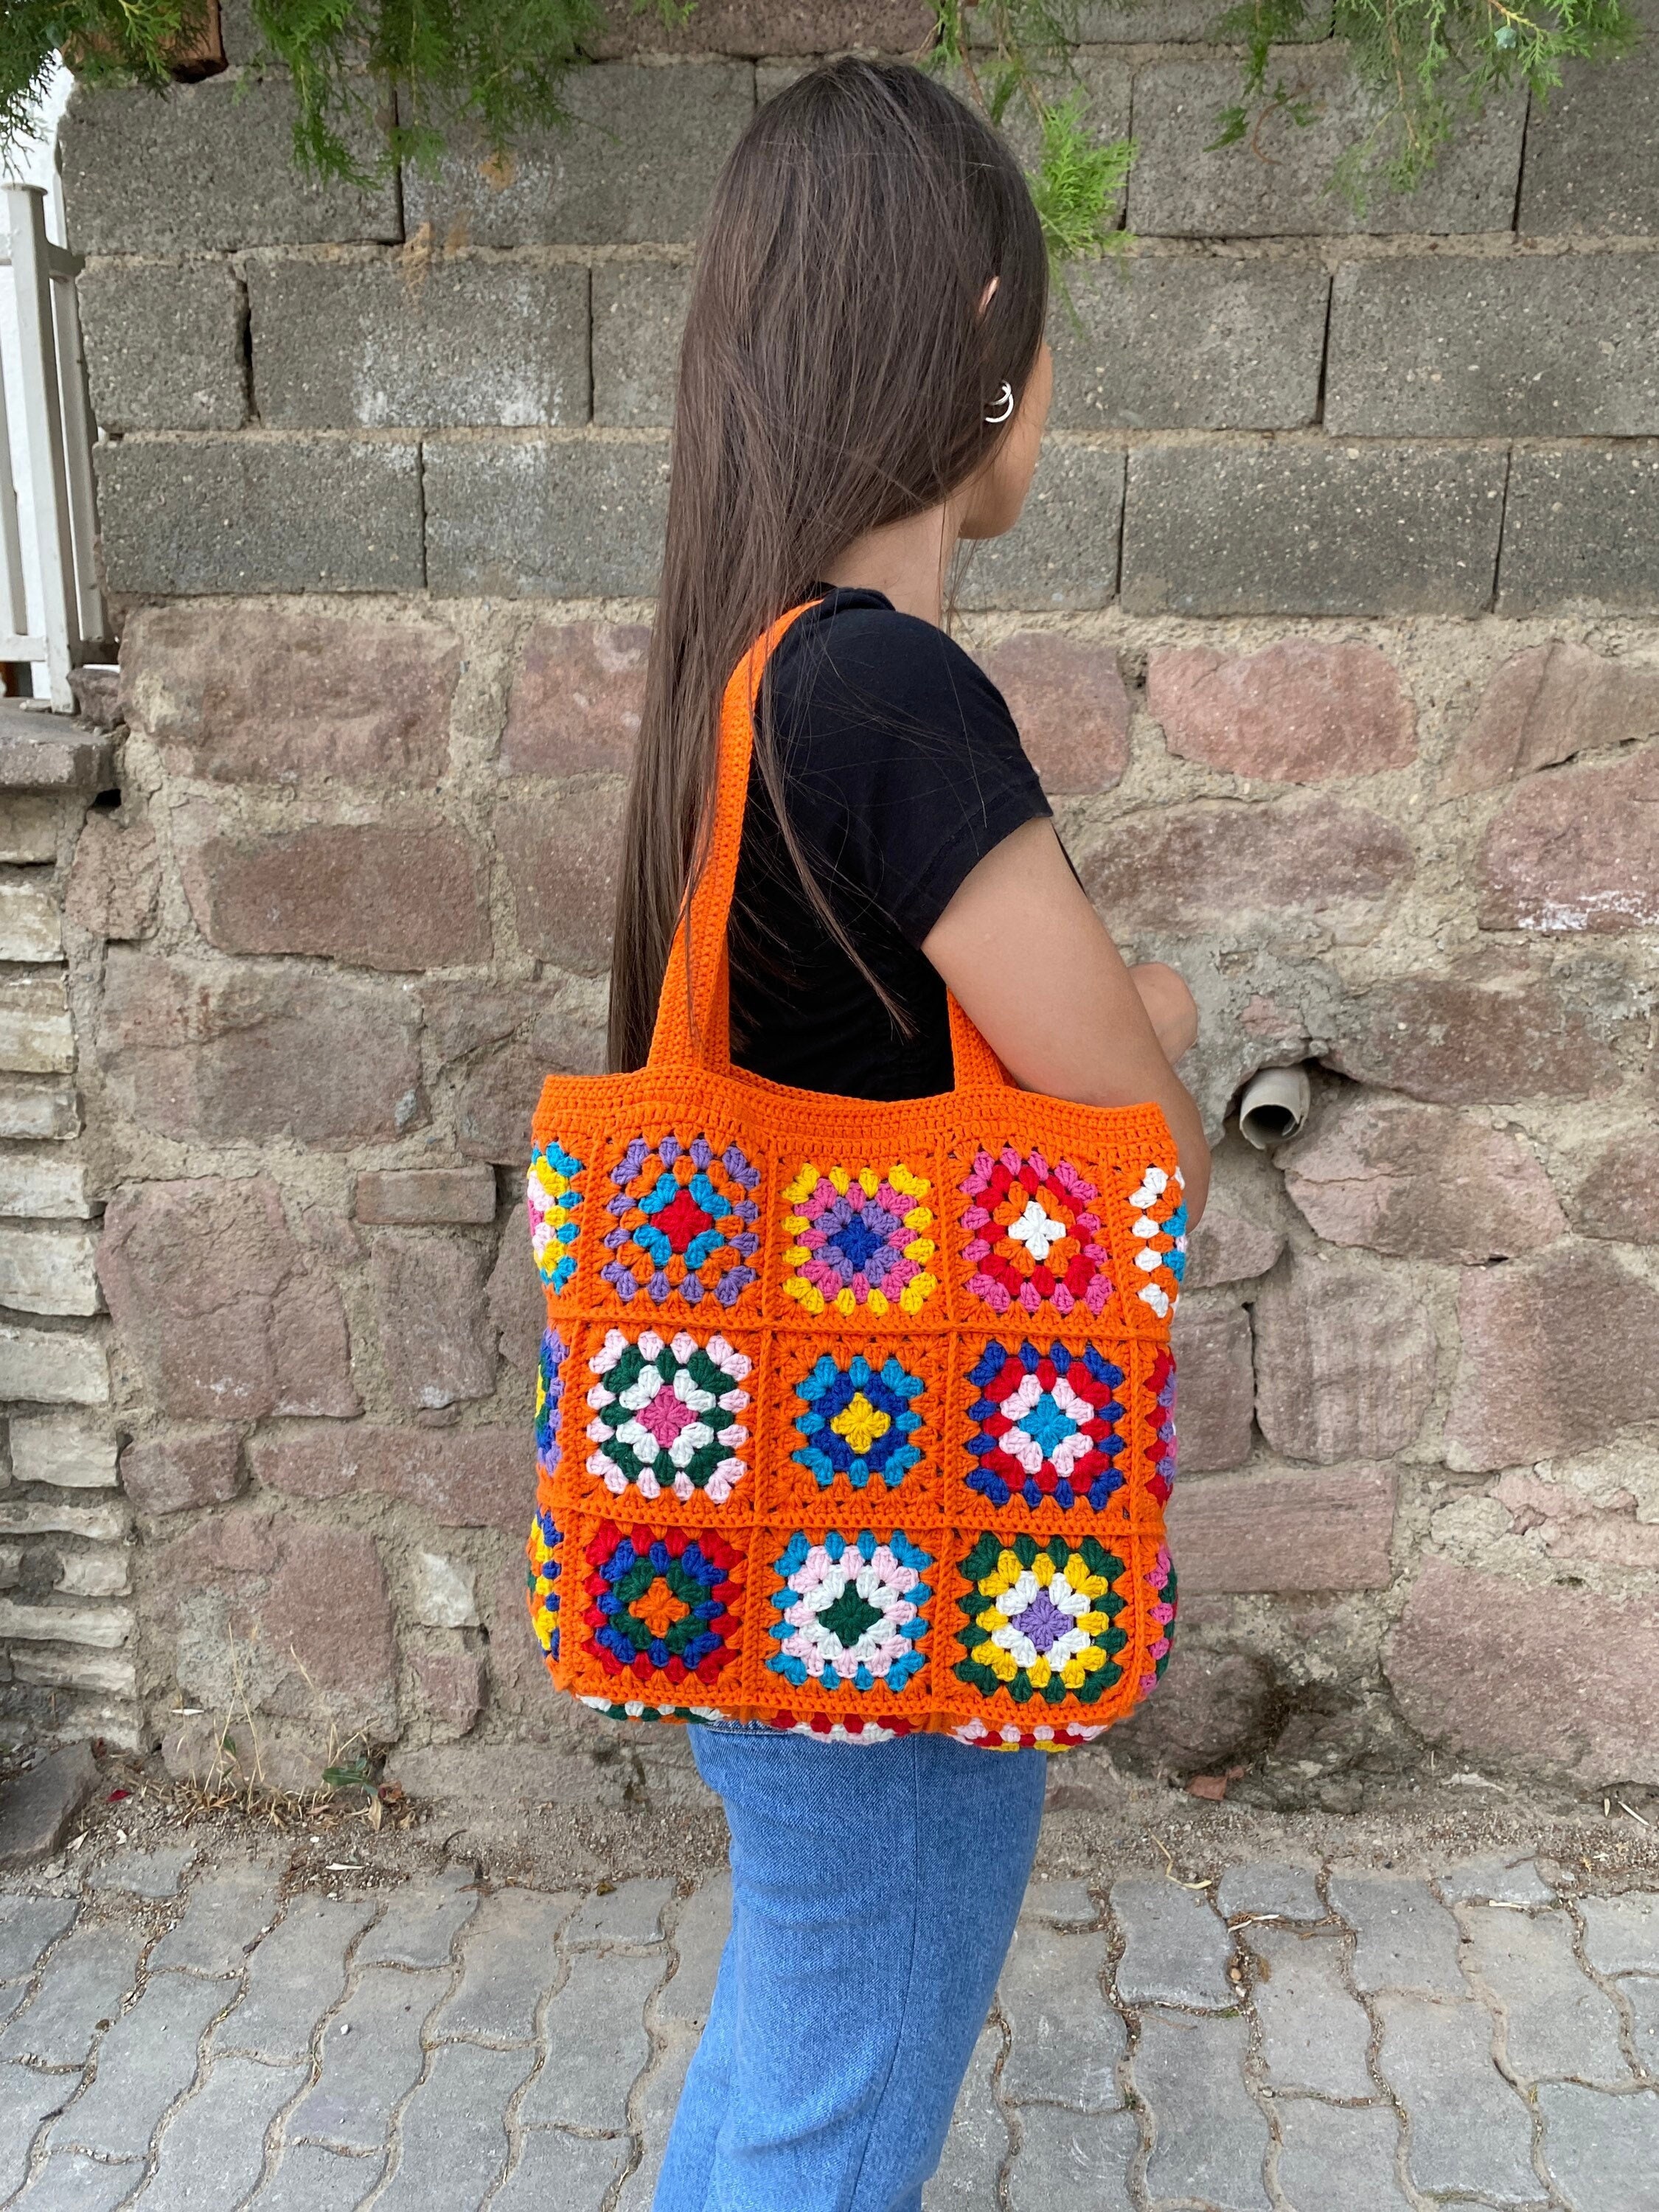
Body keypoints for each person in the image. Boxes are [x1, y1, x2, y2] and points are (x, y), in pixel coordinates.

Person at [604, 55, 1211, 2212]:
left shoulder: (737, 681)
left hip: (771, 1547)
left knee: (797, 2054)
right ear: (977, 339)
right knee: (833, 2112)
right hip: (896, 1571)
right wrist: (1156, 1012)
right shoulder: (886, 695)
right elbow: (1146, 1157)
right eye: (1045, 333)